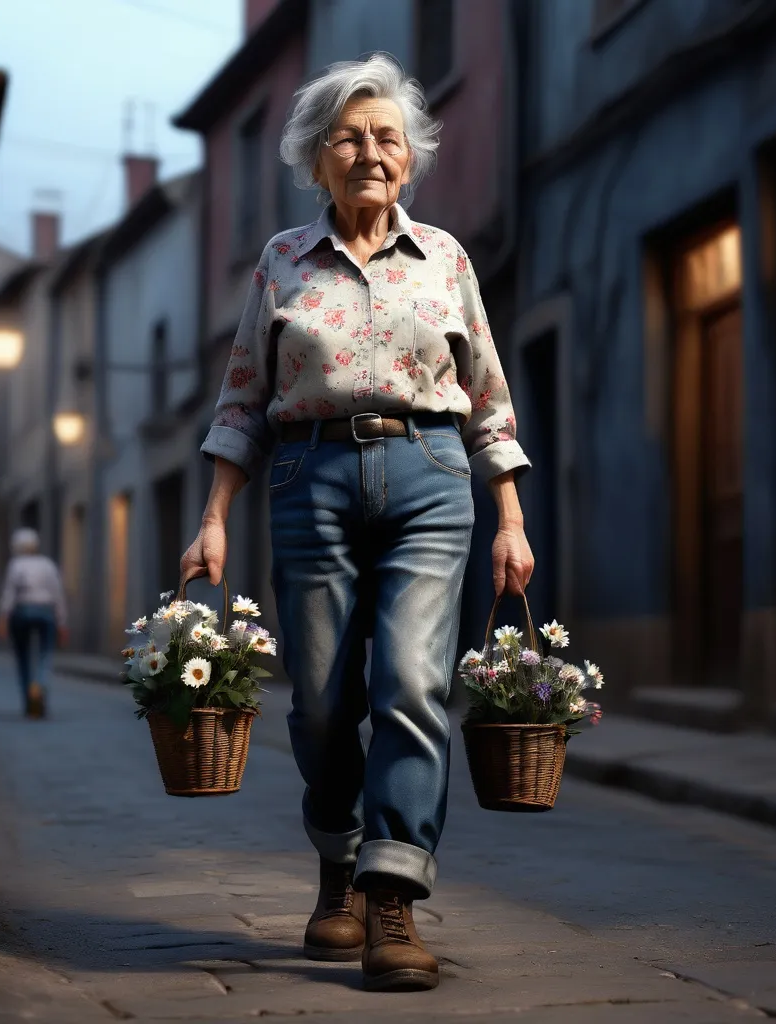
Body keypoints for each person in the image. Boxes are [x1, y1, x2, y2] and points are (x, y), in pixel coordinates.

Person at [180, 53, 533, 992]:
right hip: (310, 473)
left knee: (414, 685)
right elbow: (242, 398)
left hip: (431, 473)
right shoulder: (283, 262)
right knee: (325, 699)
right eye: (349, 137)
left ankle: (393, 899)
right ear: (317, 159)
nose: (370, 152)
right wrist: (216, 515)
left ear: (410, 160)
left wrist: (510, 520)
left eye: (387, 138)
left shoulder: (448, 259)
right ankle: (337, 862)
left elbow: (490, 401)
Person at [0, 528, 69, 718]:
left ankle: (28, 699)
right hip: (45, 611)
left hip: (22, 611)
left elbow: (8, 595)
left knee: (23, 656)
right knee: (45, 652)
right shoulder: (47, 564)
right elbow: (57, 594)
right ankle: (40, 684)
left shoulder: (15, 565)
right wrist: (61, 622)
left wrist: (3, 619)